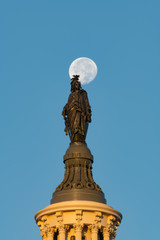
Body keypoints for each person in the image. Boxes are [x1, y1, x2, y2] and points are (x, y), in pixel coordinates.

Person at [62, 75, 91, 143]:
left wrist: (88, 113)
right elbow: (68, 104)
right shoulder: (71, 95)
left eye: (78, 84)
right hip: (72, 112)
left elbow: (86, 103)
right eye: (75, 84)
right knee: (74, 126)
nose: (77, 85)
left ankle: (80, 138)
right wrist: (65, 109)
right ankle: (74, 138)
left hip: (81, 112)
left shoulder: (83, 94)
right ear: (73, 86)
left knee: (80, 125)